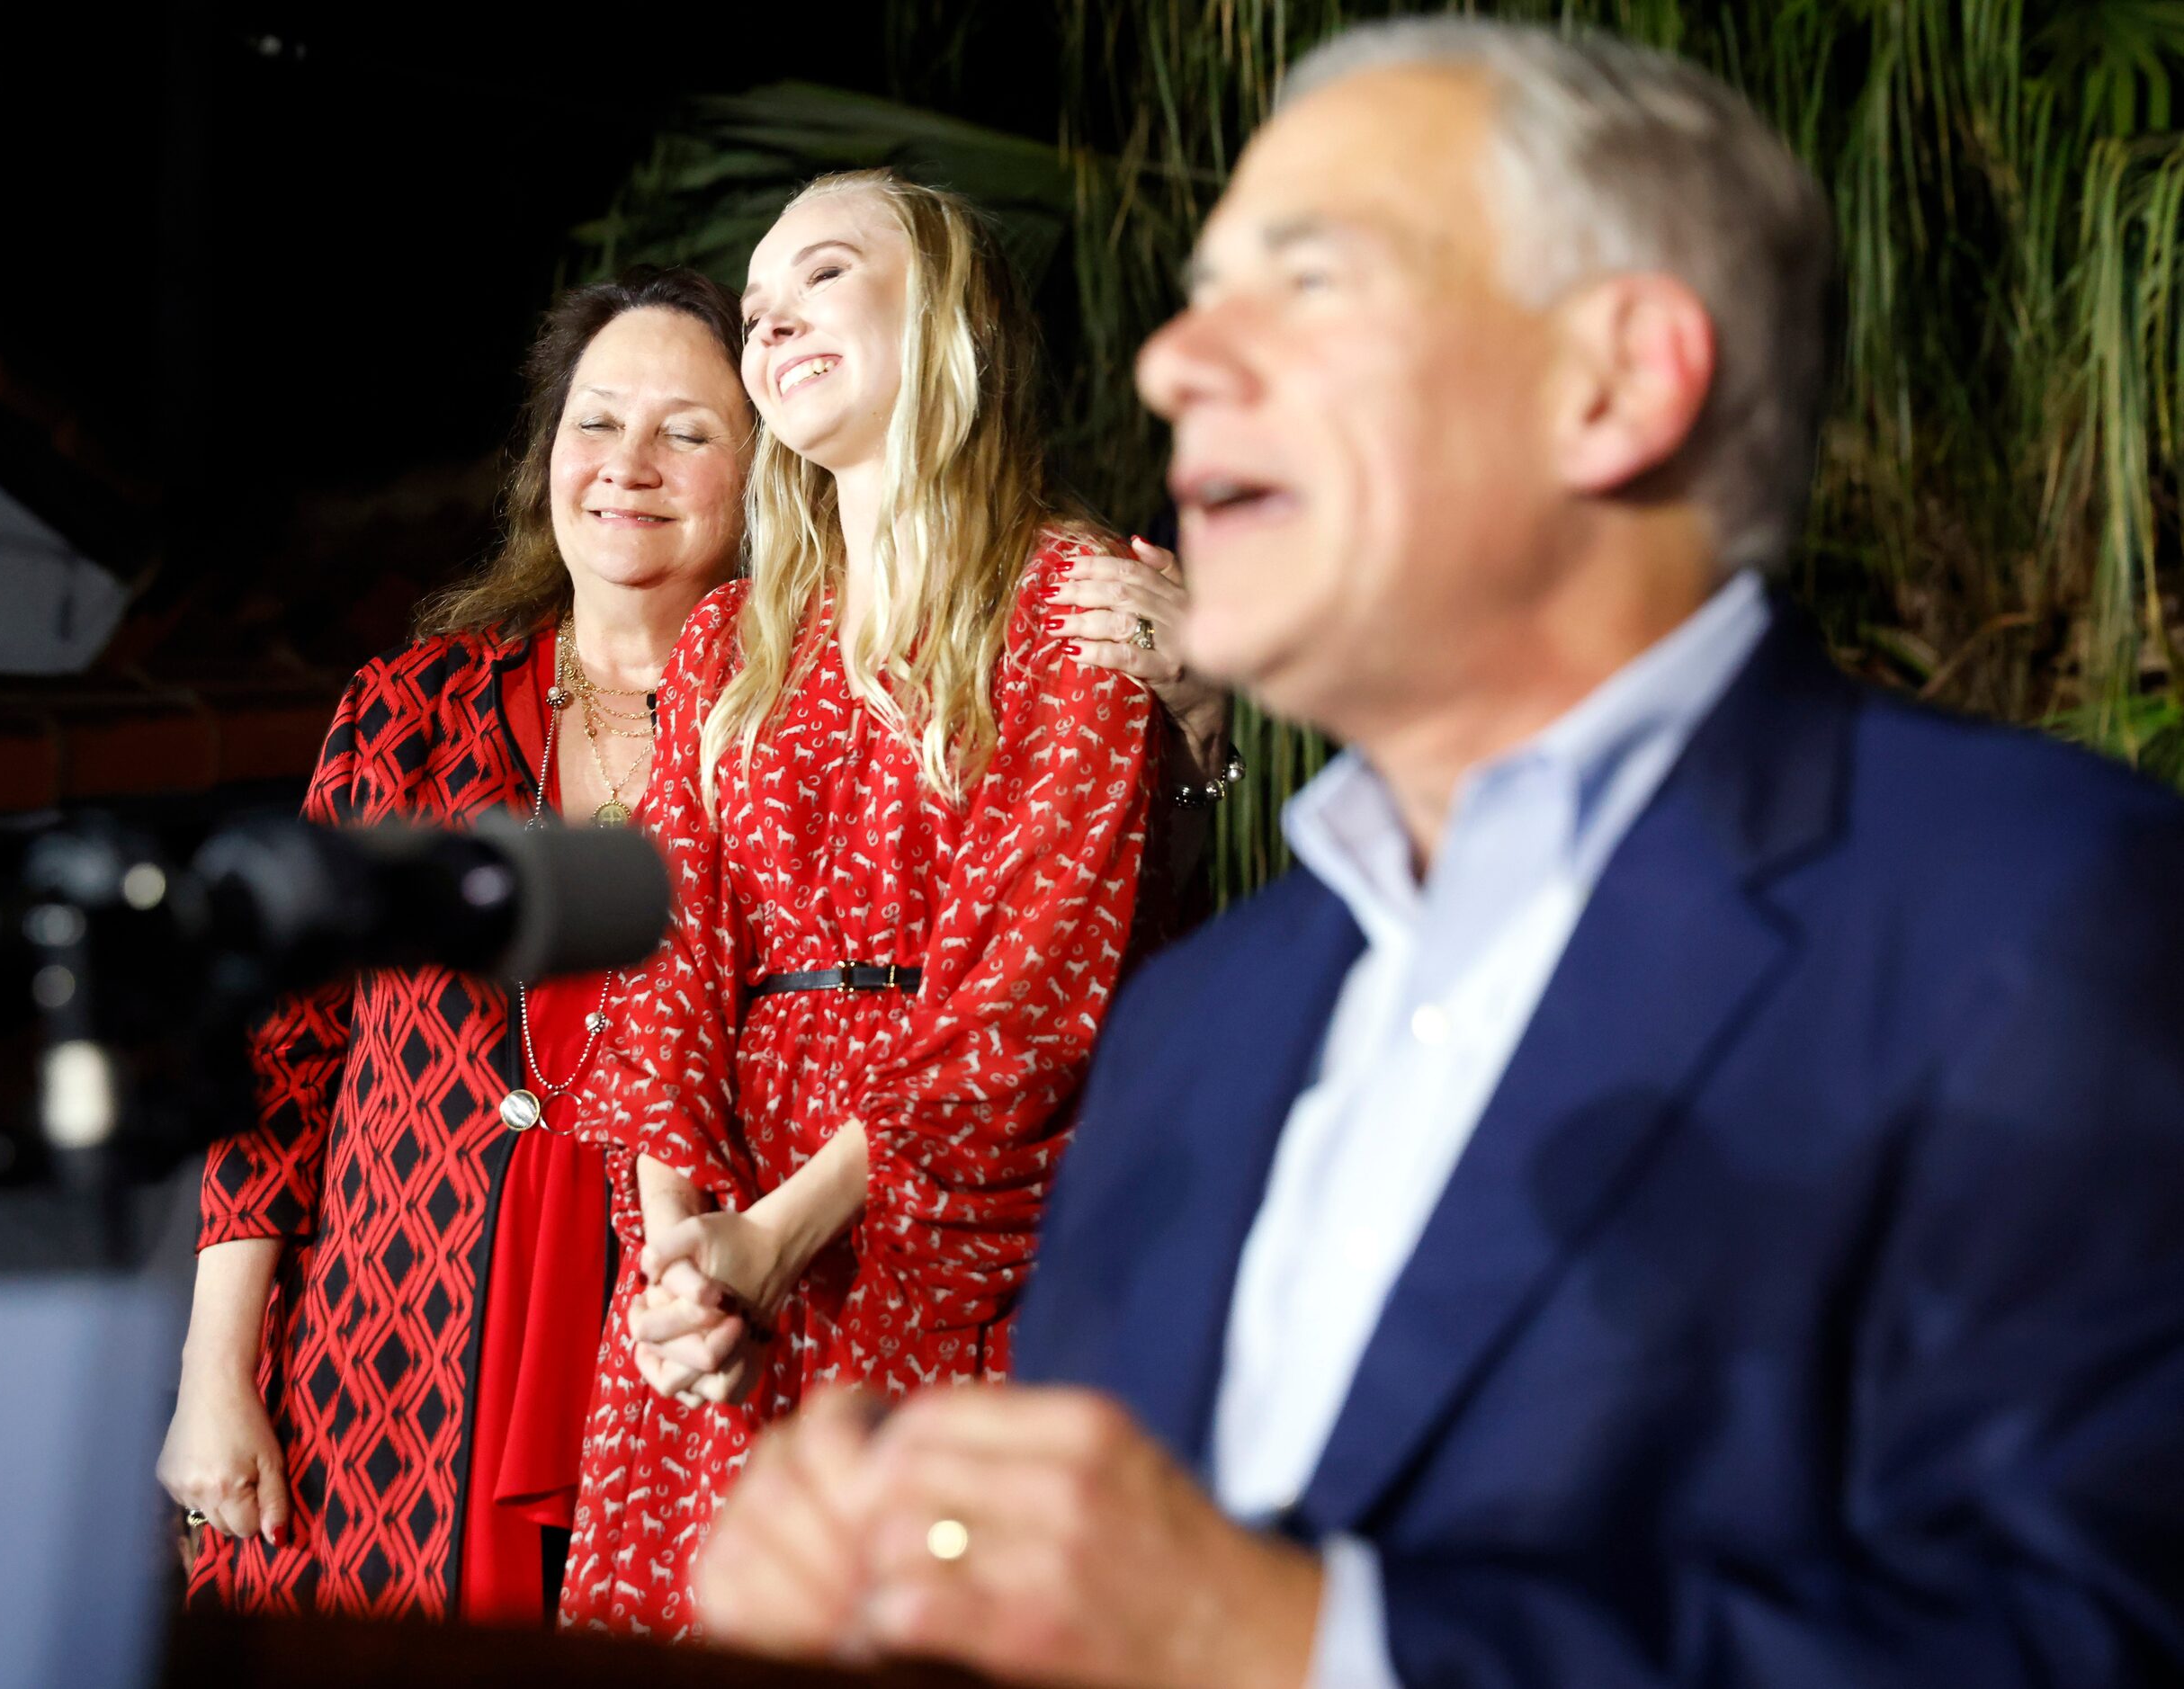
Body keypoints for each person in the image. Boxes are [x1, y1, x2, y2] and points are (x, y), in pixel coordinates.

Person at [694, 20, 2184, 1688]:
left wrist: (1309, 1645)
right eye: (1198, 301)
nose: (1180, 361)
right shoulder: (1200, 1034)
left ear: (1615, 381)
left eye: (1308, 284)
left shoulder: (2038, 917)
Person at [555, 169, 1168, 1640]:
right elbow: (665, 958)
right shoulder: (729, 638)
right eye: (758, 308)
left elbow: (1025, 1008)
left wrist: (781, 1235)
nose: (772, 321)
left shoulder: (1066, 609)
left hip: (945, 1230)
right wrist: (681, 1261)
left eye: (820, 276)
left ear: (945, 319)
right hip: (721, 1267)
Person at [158, 266, 755, 1623]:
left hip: (664, 1368)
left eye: (689, 431)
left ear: (764, 475)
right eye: (596, 422)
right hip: (376, 1370)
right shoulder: (414, 710)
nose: (629, 467)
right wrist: (213, 1371)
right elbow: (280, 1047)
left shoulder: (793, 738)